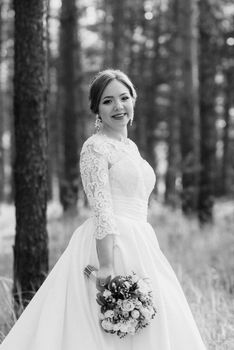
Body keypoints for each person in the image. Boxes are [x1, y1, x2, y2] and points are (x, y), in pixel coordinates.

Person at [0, 69, 207, 350]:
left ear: (134, 100)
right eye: (108, 101)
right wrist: (107, 265)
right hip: (111, 243)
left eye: (124, 97)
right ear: (96, 108)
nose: (118, 106)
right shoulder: (95, 148)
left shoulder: (130, 147)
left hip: (142, 241)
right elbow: (102, 208)